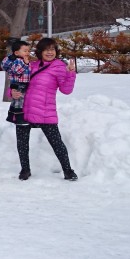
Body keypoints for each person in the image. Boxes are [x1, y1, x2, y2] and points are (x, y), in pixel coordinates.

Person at [19, 37, 78, 181]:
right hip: (24, 109)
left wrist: (70, 74)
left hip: (45, 111)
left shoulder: (59, 67)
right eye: (46, 49)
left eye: (52, 49)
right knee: (22, 142)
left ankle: (68, 171)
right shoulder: (31, 65)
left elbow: (66, 90)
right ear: (40, 52)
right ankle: (25, 170)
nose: (49, 52)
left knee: (57, 143)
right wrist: (12, 92)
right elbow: (17, 82)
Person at [1, 39, 31, 126]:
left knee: (16, 101)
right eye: (25, 51)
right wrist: (25, 64)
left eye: (28, 51)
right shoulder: (17, 61)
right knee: (19, 101)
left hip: (23, 83)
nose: (27, 53)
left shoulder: (22, 60)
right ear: (17, 53)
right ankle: (19, 118)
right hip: (19, 83)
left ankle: (11, 115)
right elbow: (17, 71)